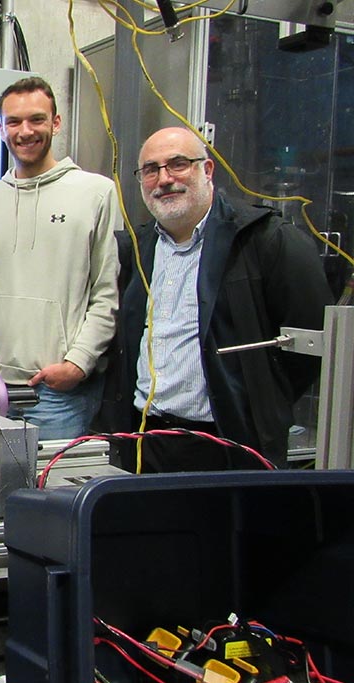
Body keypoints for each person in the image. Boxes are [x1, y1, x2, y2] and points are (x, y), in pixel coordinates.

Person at [116, 127, 333, 472]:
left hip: (231, 444)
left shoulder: (264, 239)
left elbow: (308, 345)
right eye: (151, 170)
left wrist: (260, 402)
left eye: (178, 164)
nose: (164, 179)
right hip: (147, 439)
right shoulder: (139, 249)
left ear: (207, 170)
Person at [0, 76, 120, 440]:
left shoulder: (96, 193)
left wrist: (78, 362)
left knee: (55, 479)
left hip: (59, 393)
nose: (25, 131)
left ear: (56, 122)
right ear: (1, 129)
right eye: (14, 122)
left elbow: (106, 292)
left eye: (36, 119)